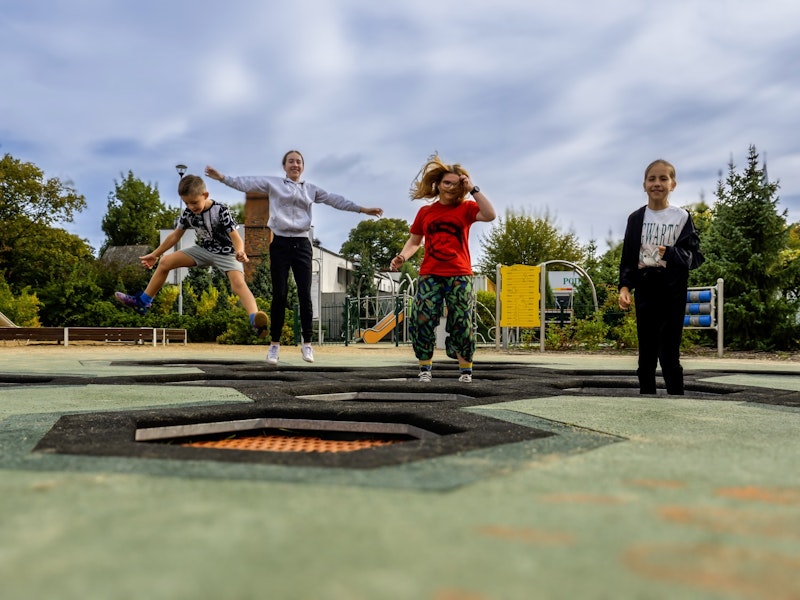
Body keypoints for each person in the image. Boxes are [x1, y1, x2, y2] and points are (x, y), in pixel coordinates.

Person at [205, 151, 383, 365]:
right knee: (279, 294)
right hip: (279, 243)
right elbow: (248, 183)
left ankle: (307, 344)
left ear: (303, 167)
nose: (295, 165)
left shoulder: (311, 189)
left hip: (302, 245)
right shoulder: (274, 184)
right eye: (291, 161)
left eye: (298, 162)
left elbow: (336, 200)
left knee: (304, 294)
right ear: (284, 166)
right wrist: (222, 178)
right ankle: (274, 346)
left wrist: (362, 209)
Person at [115, 174, 269, 338]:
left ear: (205, 195)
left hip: (227, 253)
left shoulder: (221, 210)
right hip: (204, 251)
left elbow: (236, 237)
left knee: (237, 284)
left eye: (194, 202)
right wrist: (155, 254)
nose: (191, 206)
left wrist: (240, 251)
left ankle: (255, 320)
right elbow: (175, 236)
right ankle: (143, 302)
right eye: (187, 203)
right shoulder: (188, 213)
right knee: (166, 261)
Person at [390, 154, 496, 383]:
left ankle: (465, 370)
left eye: (457, 183)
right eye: (447, 182)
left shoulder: (467, 208)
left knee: (462, 321)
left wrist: (473, 189)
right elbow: (415, 241)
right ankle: (425, 368)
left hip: (460, 274)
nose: (451, 187)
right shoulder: (425, 213)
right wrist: (402, 256)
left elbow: (490, 215)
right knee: (423, 319)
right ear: (437, 184)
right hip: (430, 274)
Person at [618, 159, 704, 395]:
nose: (657, 183)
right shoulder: (635, 219)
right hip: (646, 289)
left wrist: (672, 252)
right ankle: (646, 396)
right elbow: (628, 258)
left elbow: (695, 257)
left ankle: (676, 395)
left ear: (673, 184)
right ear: (644, 185)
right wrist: (625, 287)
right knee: (646, 351)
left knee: (669, 350)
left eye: (663, 178)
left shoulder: (682, 218)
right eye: (652, 179)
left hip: (672, 290)